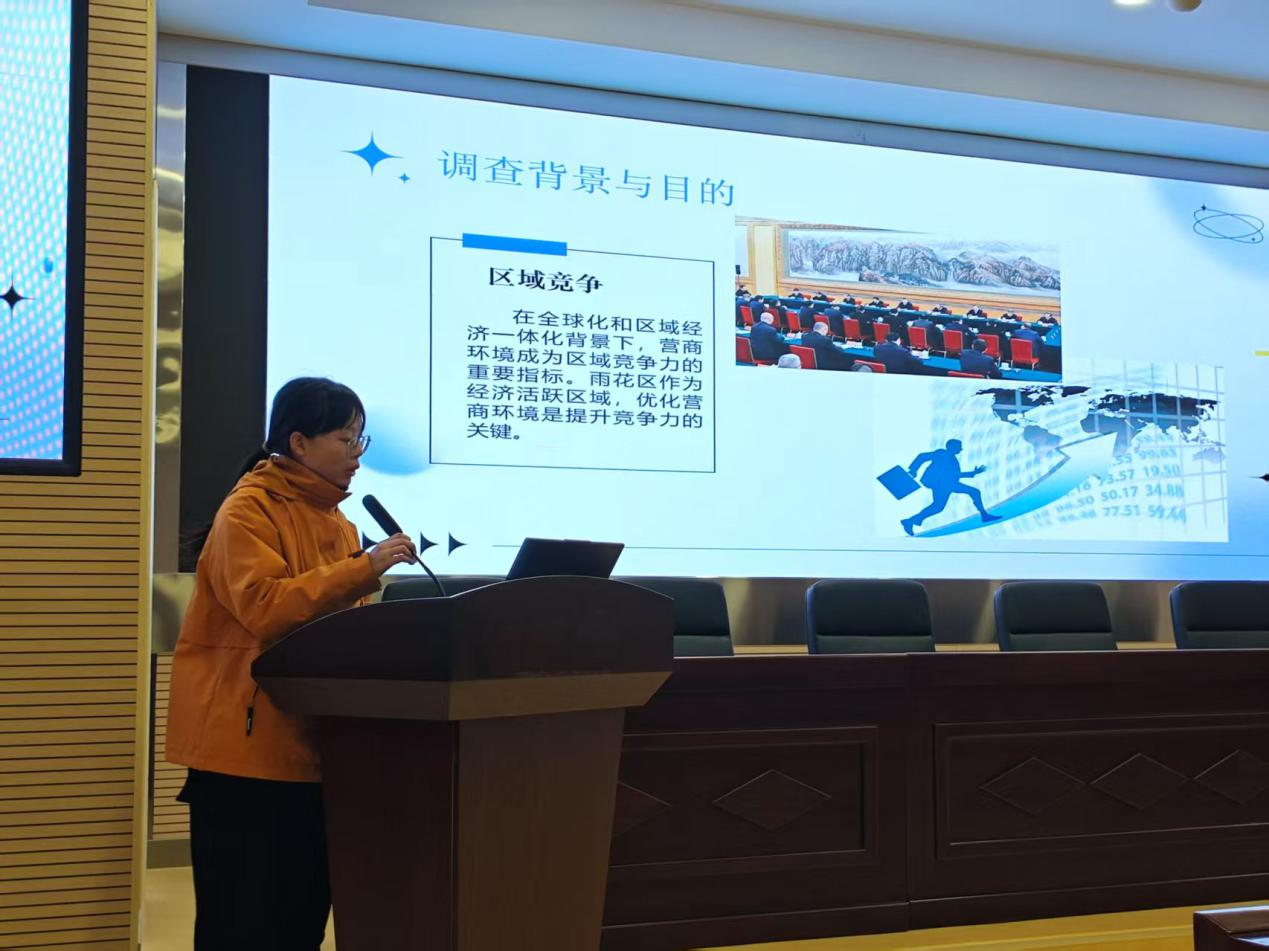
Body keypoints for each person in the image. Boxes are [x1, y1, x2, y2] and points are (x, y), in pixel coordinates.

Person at [167, 377, 419, 950]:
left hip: (317, 749)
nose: (357, 455)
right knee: (242, 926)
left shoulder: (339, 523)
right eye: (345, 439)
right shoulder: (247, 509)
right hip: (244, 757)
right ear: (299, 442)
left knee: (300, 922)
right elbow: (266, 607)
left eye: (361, 440)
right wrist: (364, 568)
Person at [901, 438, 1001, 535]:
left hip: (947, 484)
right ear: (952, 447)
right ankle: (984, 515)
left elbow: (954, 474)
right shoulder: (942, 454)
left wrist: (973, 473)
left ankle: (910, 521)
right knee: (973, 492)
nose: (961, 449)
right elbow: (922, 456)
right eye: (959, 447)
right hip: (943, 484)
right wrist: (913, 470)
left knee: (938, 507)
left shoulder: (951, 458)